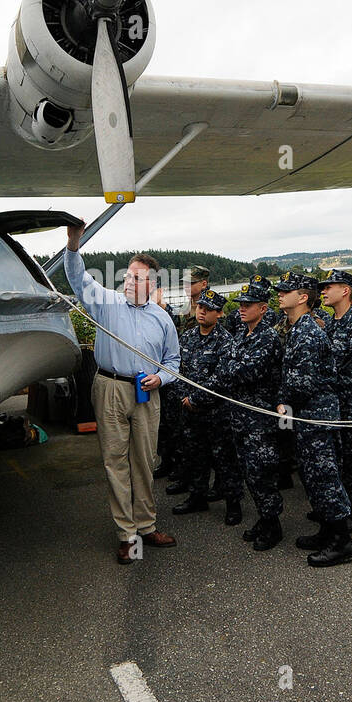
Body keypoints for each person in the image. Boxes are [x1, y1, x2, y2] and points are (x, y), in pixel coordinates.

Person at [64, 223, 181, 564]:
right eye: (127, 276)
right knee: (115, 462)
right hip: (110, 388)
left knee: (144, 461)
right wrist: (73, 244)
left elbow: (173, 361)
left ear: (152, 284)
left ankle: (147, 526)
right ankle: (127, 535)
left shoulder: (163, 319)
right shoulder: (106, 303)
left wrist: (160, 378)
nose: (129, 281)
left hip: (147, 394)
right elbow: (77, 278)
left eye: (137, 277)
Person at [274, 272, 352, 567]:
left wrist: (283, 401)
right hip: (307, 416)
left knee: (325, 477)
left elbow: (302, 382)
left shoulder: (308, 332)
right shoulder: (297, 329)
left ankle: (342, 542)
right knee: (313, 477)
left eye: (286, 291)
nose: (280, 295)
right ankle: (326, 531)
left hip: (317, 416)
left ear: (303, 297)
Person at [219, 279, 286, 550]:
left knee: (262, 471)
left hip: (259, 419)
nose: (241, 310)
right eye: (240, 305)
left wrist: (232, 368)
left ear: (263, 308)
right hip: (240, 418)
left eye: (248, 305)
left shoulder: (268, 337)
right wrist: (231, 367)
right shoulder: (242, 335)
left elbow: (246, 372)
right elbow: (227, 366)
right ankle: (263, 516)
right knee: (249, 471)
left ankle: (273, 524)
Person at [168, 289, 244, 525]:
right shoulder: (188, 337)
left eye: (208, 309)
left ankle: (233, 505)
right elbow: (177, 370)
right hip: (190, 412)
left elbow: (222, 378)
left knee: (225, 461)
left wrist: (196, 399)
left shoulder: (226, 341)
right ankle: (197, 496)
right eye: (200, 307)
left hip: (217, 414)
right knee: (195, 456)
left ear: (219, 314)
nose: (202, 312)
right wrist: (184, 398)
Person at [319, 269, 352, 533]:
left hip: (351, 402)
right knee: (337, 457)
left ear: (346, 291)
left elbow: (339, 367)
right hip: (334, 402)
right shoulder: (332, 323)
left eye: (330, 286)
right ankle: (339, 507)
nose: (324, 291)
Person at [154, 265, 211, 488]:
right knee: (171, 426)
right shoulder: (186, 309)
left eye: (191, 283)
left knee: (197, 436)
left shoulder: (211, 309)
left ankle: (194, 477)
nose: (186, 286)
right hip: (179, 377)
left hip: (200, 383)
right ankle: (173, 464)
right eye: (185, 283)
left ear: (204, 284)